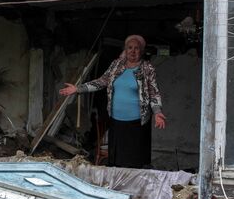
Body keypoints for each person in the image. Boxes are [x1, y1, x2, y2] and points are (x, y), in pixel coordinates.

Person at [59, 34, 166, 168]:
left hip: (137, 124)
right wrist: (78, 89)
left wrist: (157, 112)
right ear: (125, 50)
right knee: (117, 160)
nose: (133, 51)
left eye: (136, 48)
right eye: (129, 47)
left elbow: (153, 92)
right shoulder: (116, 65)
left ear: (141, 50)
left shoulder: (147, 68)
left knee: (134, 161)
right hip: (116, 121)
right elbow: (101, 81)